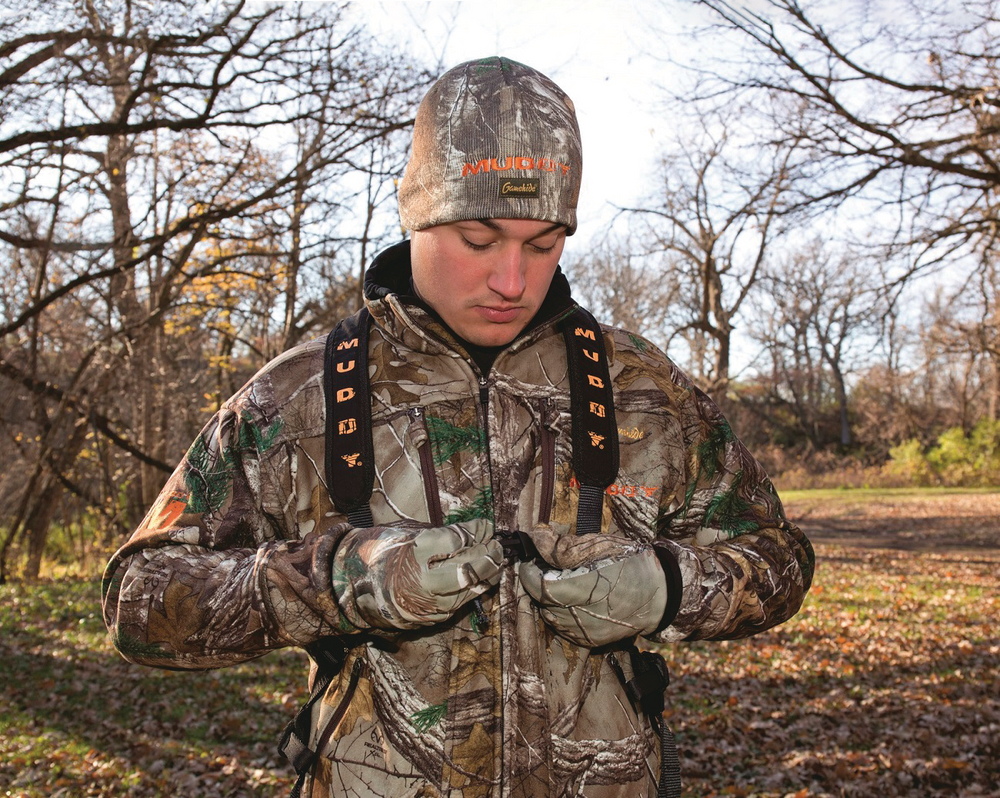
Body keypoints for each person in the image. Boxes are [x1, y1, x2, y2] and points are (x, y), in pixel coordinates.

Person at [103, 56, 814, 798]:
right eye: (480, 239)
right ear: (419, 216)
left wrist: (669, 587)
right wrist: (336, 582)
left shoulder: (642, 386)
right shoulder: (300, 396)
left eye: (543, 244)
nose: (512, 280)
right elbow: (138, 601)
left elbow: (781, 560)